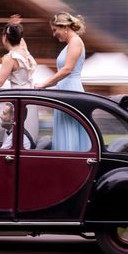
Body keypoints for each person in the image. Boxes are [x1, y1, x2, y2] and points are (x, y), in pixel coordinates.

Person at [35, 12, 90, 151]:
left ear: (64, 27)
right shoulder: (70, 44)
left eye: (55, 30)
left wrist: (44, 84)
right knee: (65, 128)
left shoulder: (75, 42)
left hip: (71, 89)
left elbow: (67, 70)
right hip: (64, 88)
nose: (54, 34)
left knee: (69, 128)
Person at [0, 17, 37, 92]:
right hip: (30, 93)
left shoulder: (10, 58)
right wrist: (14, 26)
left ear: (5, 37)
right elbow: (20, 39)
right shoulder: (25, 50)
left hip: (19, 96)